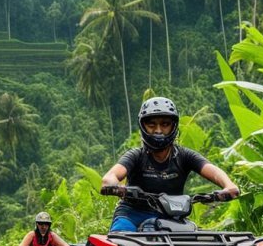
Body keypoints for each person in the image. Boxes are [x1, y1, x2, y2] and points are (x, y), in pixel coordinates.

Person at [101, 97, 239, 232]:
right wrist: (116, 188)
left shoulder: (185, 156)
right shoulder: (136, 155)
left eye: (165, 124)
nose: (158, 130)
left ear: (173, 126)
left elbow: (214, 171)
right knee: (120, 242)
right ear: (143, 126)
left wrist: (229, 185)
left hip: (172, 219)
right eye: (151, 125)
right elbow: (111, 176)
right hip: (132, 215)